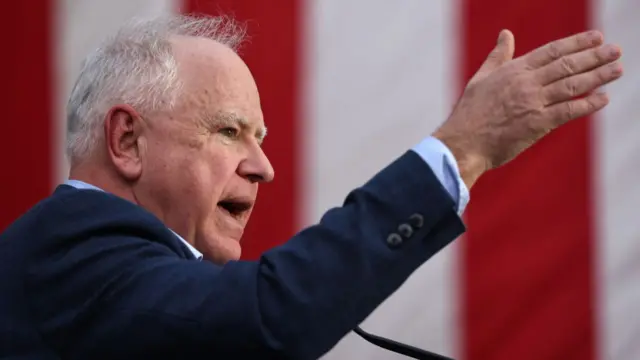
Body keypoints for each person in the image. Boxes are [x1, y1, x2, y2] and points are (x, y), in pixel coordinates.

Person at [0, 14, 622, 359]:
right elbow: (267, 320)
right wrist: (462, 150)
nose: (264, 167)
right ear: (127, 142)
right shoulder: (72, 249)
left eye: (262, 138)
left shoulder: (127, 281)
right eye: (229, 131)